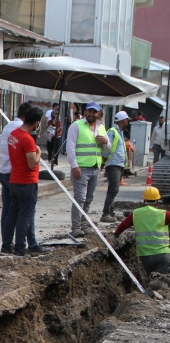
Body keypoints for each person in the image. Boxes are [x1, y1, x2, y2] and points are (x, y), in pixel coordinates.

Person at [0, 103, 52, 257]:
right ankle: (21, 248)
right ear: (36, 123)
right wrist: (39, 152)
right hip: (26, 181)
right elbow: (32, 162)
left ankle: (6, 246)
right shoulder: (27, 139)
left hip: (13, 179)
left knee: (11, 213)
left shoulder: (13, 133)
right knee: (25, 215)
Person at [66, 102, 111, 238]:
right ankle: (75, 227)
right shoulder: (76, 125)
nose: (91, 114)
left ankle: (83, 223)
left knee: (89, 198)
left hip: (95, 168)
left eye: (94, 112)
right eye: (89, 111)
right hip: (81, 168)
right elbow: (70, 147)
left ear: (98, 113)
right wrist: (74, 165)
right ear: (85, 112)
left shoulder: (101, 128)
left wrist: (105, 142)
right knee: (80, 198)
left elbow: (107, 149)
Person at [114, 187, 170, 275]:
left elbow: (124, 225)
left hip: (145, 255)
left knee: (151, 278)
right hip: (163, 254)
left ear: (144, 201)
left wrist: (116, 233)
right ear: (157, 201)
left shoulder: (136, 213)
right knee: (161, 280)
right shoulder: (164, 214)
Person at [100, 111, 129, 223]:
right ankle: (106, 213)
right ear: (123, 120)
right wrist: (105, 160)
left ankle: (111, 212)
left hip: (118, 164)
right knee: (113, 190)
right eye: (126, 119)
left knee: (112, 189)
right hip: (113, 164)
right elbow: (107, 148)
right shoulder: (113, 132)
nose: (127, 121)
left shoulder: (120, 132)